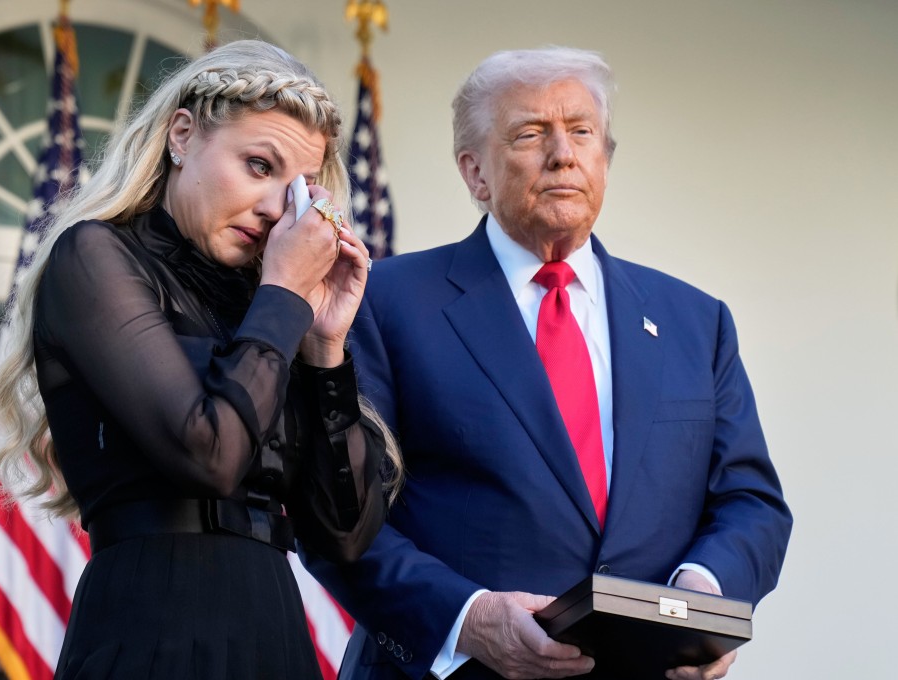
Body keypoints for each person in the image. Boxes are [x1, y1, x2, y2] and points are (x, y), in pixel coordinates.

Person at [303, 46, 792, 680]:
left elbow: (751, 502)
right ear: (475, 172)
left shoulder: (696, 321)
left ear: (605, 161)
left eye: (582, 132)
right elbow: (334, 515)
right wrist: (468, 618)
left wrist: (699, 599)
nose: (563, 153)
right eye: (531, 134)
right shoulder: (381, 302)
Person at [0, 39, 400, 679]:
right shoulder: (96, 259)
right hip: (150, 627)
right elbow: (209, 453)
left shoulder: (266, 304)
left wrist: (324, 348)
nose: (273, 209)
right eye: (258, 166)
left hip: (276, 635)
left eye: (298, 191)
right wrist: (285, 295)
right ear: (182, 135)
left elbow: (346, 533)